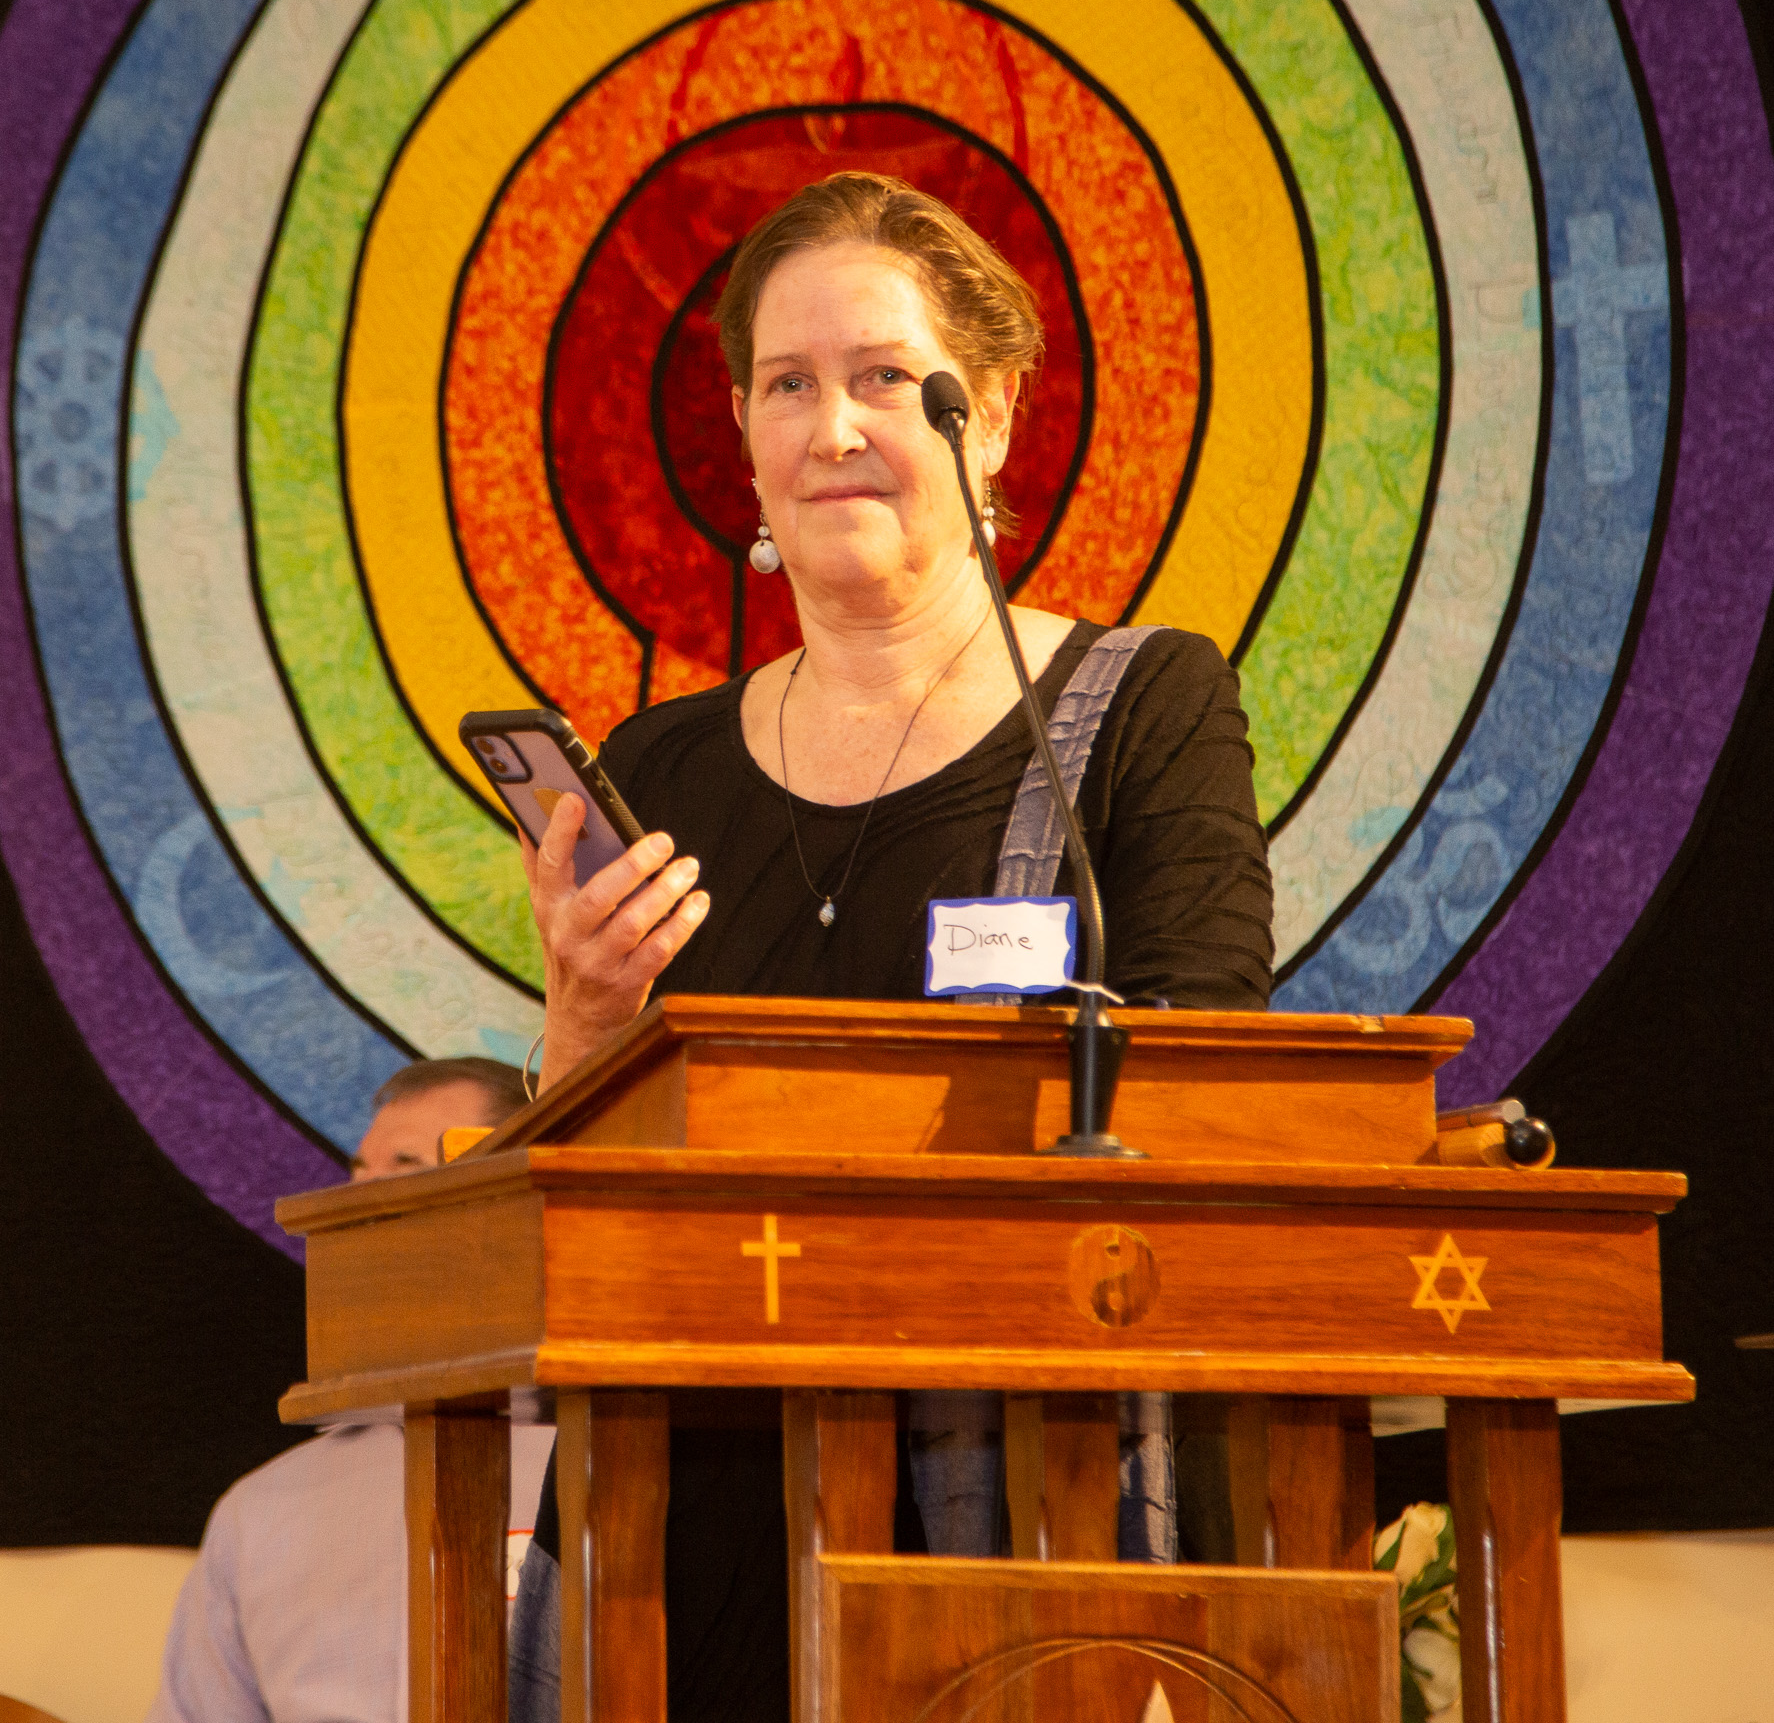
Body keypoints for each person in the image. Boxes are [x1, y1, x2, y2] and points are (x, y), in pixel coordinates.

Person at [509, 173, 1273, 1722]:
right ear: (743, 429)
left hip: (1033, 1501)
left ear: (988, 414)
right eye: (787, 385)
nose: (833, 428)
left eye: (881, 378)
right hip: (694, 1514)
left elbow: (1203, 1083)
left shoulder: (1141, 709)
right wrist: (583, 1018)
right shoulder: (655, 770)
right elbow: (585, 1187)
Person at [148, 1058, 554, 1723]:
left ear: (522, 1197)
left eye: (406, 1167)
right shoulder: (263, 1511)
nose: (356, 1207)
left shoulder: (620, 1468)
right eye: (358, 1175)